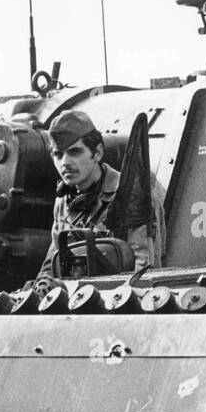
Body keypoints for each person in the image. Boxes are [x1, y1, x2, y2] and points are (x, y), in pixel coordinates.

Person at [35, 110, 152, 287]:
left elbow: (144, 270)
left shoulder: (130, 195)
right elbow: (53, 262)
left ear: (97, 152)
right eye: (58, 155)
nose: (65, 162)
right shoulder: (64, 202)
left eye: (75, 152)